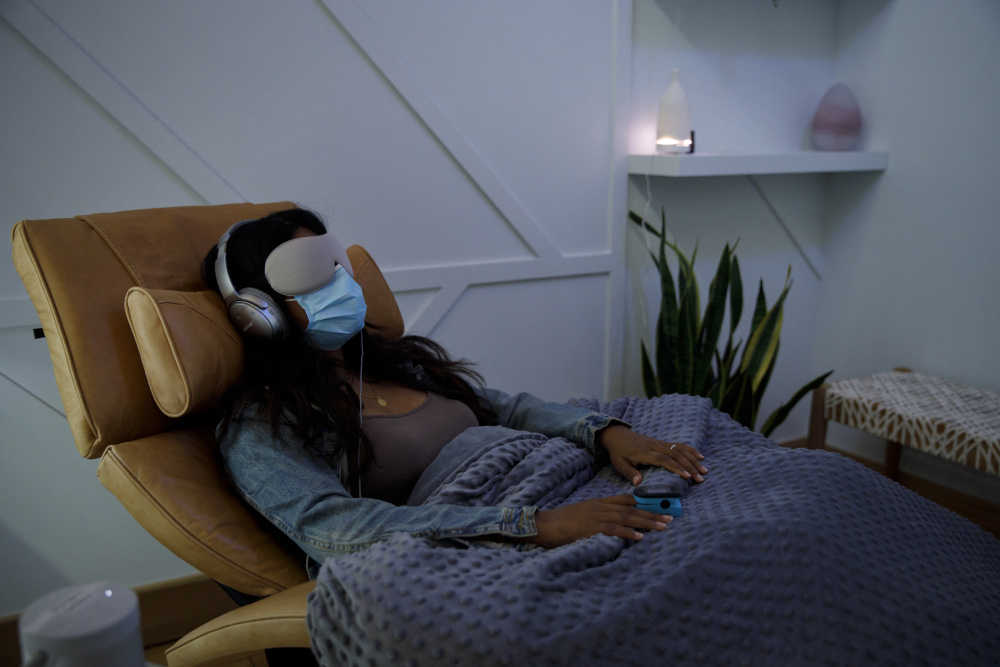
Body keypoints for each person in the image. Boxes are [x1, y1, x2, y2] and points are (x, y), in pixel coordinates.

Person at [201, 208, 707, 574]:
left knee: (718, 496)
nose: (343, 286)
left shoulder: (395, 362)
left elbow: (501, 409)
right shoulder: (262, 422)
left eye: (336, 267)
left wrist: (607, 434)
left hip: (563, 477)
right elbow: (333, 528)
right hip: (506, 526)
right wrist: (534, 525)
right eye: (311, 276)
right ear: (258, 312)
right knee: (693, 558)